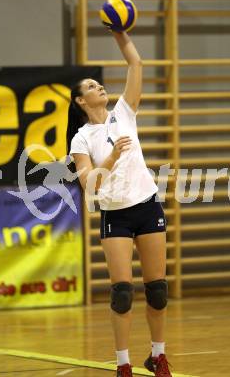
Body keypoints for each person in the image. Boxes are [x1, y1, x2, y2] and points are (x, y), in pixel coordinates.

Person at [68, 30, 172, 377]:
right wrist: (111, 158)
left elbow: (136, 62)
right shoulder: (81, 137)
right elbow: (88, 182)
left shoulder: (125, 112)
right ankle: (123, 363)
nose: (99, 88)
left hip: (147, 206)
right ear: (81, 101)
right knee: (122, 293)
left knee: (157, 290)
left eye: (99, 85)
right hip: (116, 215)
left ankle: (158, 355)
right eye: (91, 87)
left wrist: (119, 32)